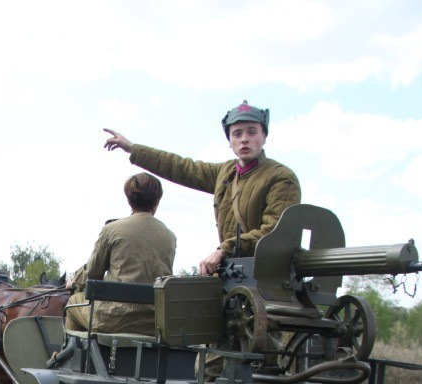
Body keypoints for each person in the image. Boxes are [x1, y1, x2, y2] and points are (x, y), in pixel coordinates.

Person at [103, 101, 300, 276]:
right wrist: (133, 148)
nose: (244, 139)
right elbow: (180, 167)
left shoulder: (281, 178)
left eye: (252, 132)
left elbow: (274, 232)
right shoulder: (226, 172)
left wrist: (224, 250)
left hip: (269, 275)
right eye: (237, 133)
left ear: (264, 136)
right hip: (235, 272)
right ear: (230, 141)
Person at [65, 173, 176, 335]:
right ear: (157, 201)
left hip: (114, 319)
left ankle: (70, 357)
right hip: (154, 322)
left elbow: (92, 273)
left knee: (73, 302)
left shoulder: (112, 229)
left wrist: (74, 281)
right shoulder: (170, 236)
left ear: (129, 200)